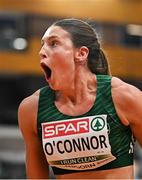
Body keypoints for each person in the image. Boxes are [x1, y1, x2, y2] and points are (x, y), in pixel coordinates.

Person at [18, 18, 142, 179]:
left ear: (81, 54)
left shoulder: (124, 97)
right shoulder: (31, 109)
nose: (41, 51)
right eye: (42, 44)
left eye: (53, 43)